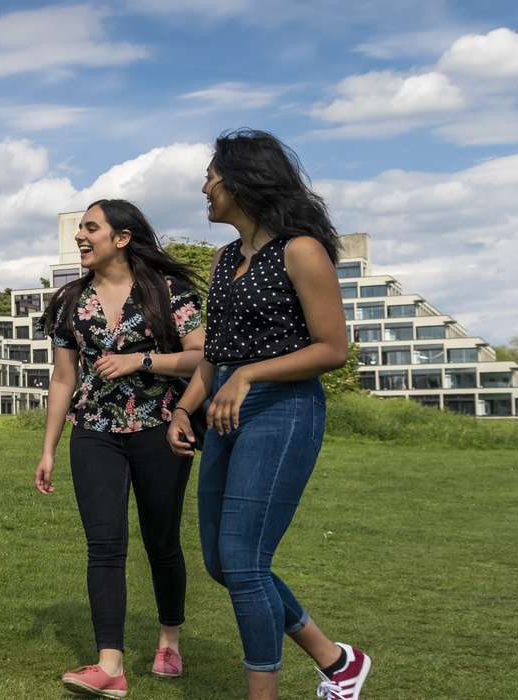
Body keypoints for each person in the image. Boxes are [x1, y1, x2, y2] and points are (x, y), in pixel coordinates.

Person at [167, 129, 371, 700]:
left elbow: (332, 348)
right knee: (221, 562)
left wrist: (251, 375)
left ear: (241, 181)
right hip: (224, 415)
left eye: (211, 177)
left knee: (245, 562)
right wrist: (184, 409)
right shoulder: (224, 259)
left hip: (283, 411)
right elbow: (216, 353)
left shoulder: (301, 250)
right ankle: (338, 662)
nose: (205, 188)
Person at [35, 199, 205, 698]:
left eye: (91, 228)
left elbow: (201, 358)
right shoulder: (70, 302)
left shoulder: (169, 292)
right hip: (94, 431)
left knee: (161, 541)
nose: (80, 237)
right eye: (80, 229)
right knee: (104, 545)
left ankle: (169, 639)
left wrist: (141, 361)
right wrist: (48, 448)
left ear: (122, 238)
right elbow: (63, 378)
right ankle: (110, 664)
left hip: (160, 428)